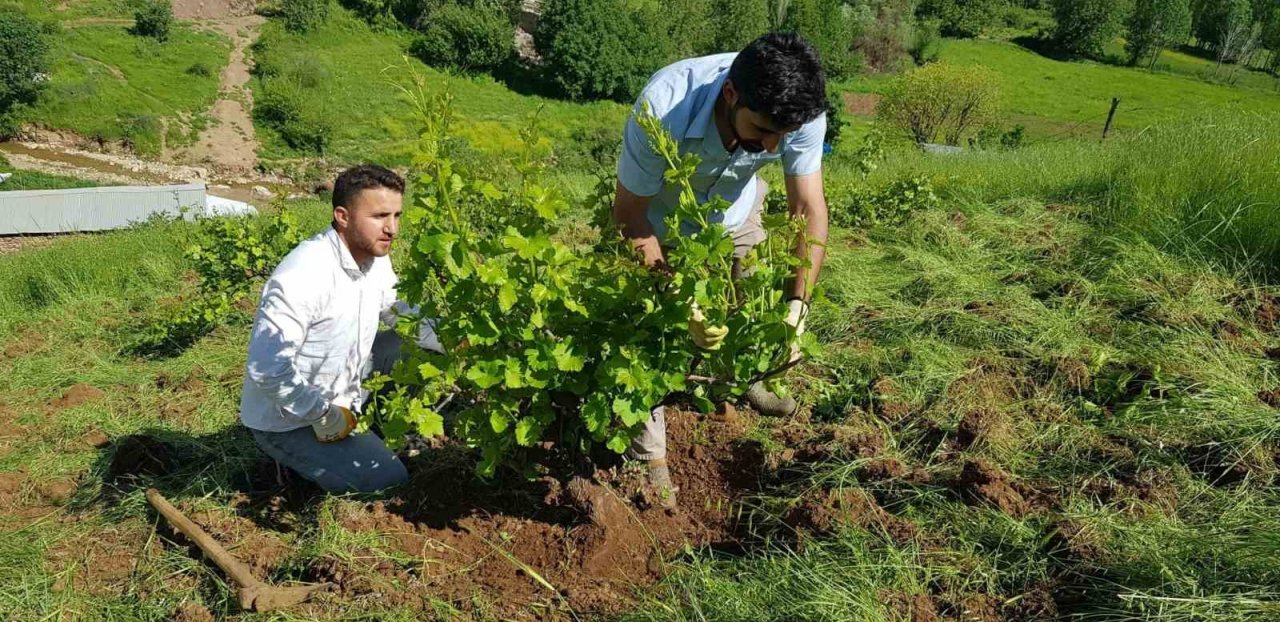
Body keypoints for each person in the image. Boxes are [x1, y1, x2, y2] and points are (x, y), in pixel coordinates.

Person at [611, 33, 831, 501]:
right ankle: (648, 459)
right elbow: (630, 214)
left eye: (782, 136)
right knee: (650, 333)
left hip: (735, 211)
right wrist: (677, 295)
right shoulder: (663, 107)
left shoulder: (799, 109)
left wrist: (798, 306)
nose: (772, 144)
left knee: (746, 305)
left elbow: (808, 206)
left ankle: (737, 384)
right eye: (762, 130)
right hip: (659, 221)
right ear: (731, 94)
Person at [239, 164, 430, 493]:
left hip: (343, 391)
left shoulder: (375, 258)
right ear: (342, 216)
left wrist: (456, 342)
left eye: (397, 215)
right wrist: (322, 414)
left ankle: (371, 437)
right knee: (390, 481)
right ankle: (292, 465)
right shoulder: (304, 275)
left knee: (414, 347)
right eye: (380, 216)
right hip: (291, 420)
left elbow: (399, 311)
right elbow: (267, 368)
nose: (392, 228)